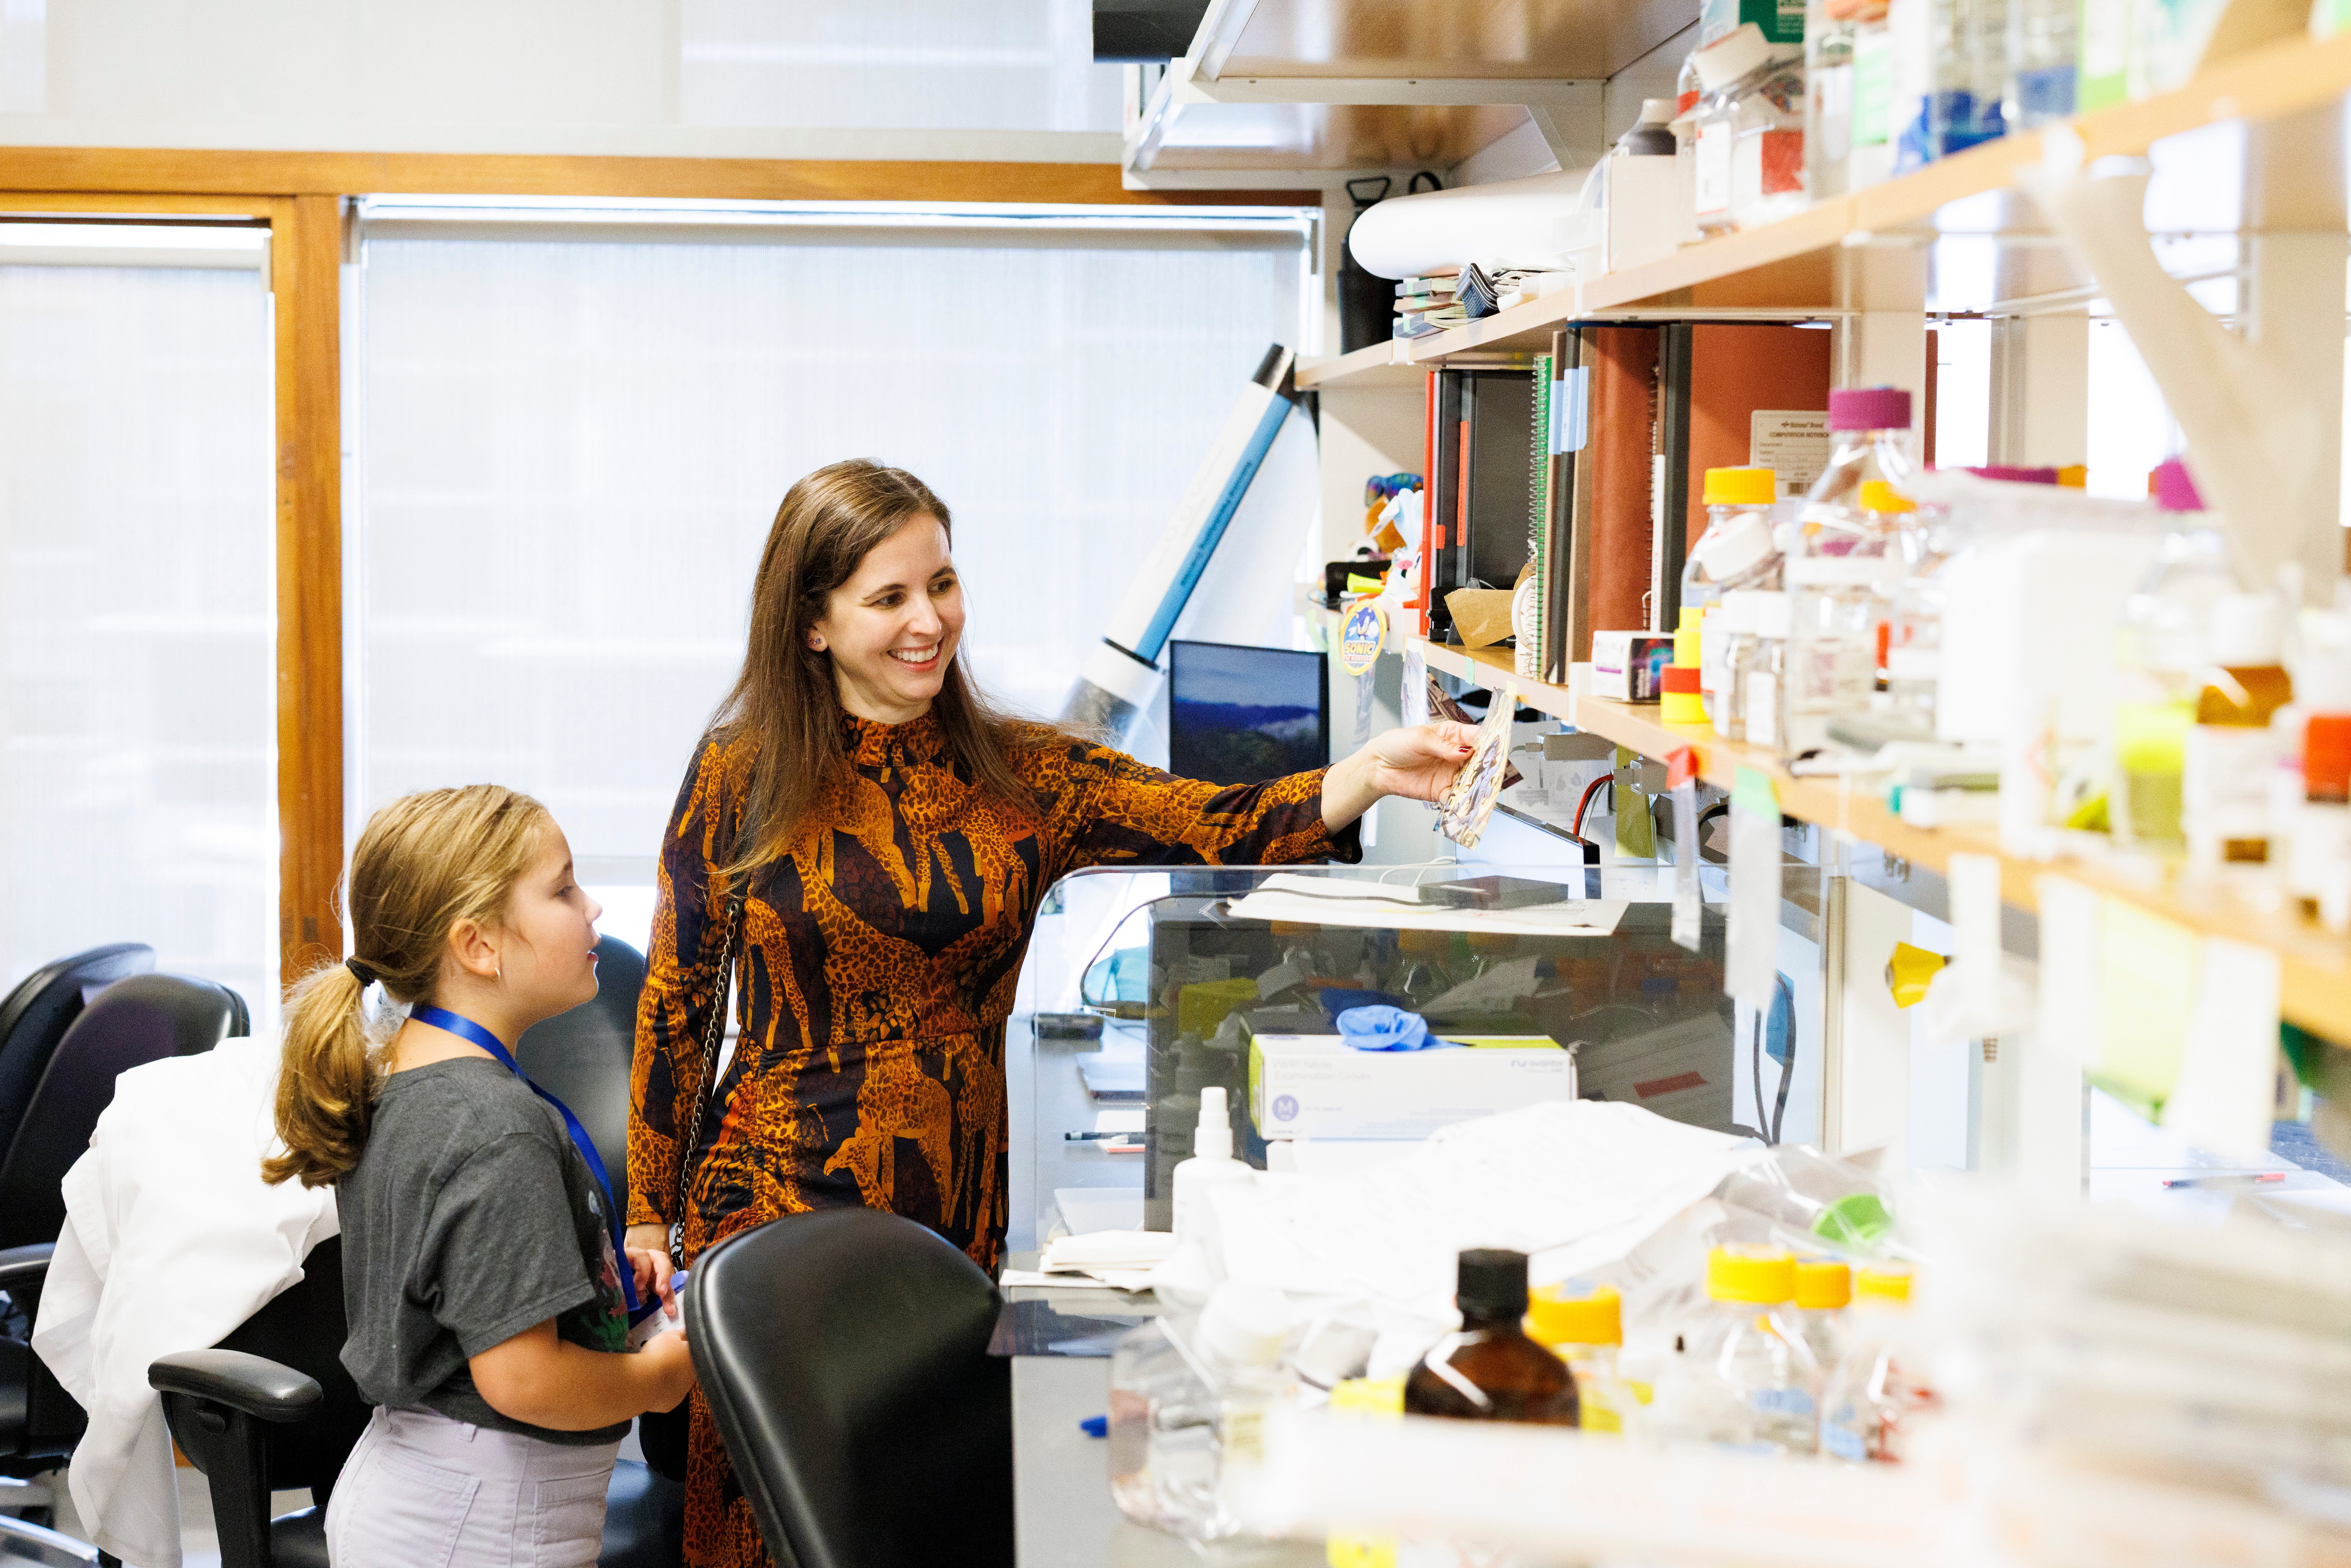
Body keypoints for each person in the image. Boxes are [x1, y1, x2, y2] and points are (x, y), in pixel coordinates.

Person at [626, 457, 1475, 1567]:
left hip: (955, 1205)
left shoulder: (1021, 770)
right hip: (774, 1193)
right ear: (812, 625)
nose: (929, 620)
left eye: (941, 582)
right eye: (887, 598)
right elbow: (679, 1002)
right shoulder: (739, 770)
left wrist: (1363, 771)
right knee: (780, 1521)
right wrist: (649, 1217)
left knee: (910, 1506)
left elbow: (1211, 820)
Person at [266, 784, 698, 1568]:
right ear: (479, 946)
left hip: (428, 1502)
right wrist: (658, 1378)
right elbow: (524, 1378)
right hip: (481, 1524)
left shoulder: (415, 1081)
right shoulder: (496, 1125)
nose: (593, 906)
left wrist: (597, 1279)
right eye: (563, 888)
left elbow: (457, 1292)